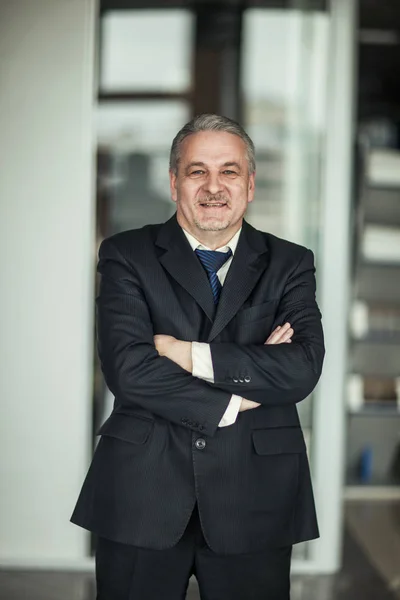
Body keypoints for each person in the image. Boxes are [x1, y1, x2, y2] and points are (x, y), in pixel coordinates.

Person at [70, 113, 325, 600]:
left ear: (250, 185)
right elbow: (128, 369)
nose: (213, 187)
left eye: (229, 171)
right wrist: (235, 399)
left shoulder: (291, 262)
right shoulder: (126, 255)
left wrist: (184, 353)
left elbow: (302, 367)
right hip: (143, 490)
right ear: (173, 183)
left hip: (255, 494)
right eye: (196, 171)